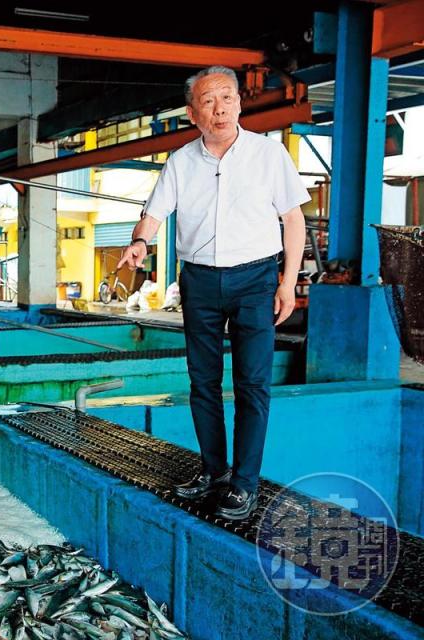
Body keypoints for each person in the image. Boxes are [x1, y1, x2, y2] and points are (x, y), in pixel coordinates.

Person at [117, 66, 307, 520]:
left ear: (240, 102)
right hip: (199, 281)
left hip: (255, 279)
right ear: (192, 113)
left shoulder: (269, 154)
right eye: (208, 101)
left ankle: (244, 485)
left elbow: (294, 220)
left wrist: (288, 282)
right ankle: (213, 471)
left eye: (227, 97)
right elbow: (154, 213)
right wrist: (140, 242)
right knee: (202, 383)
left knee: (252, 384)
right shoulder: (182, 161)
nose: (219, 108)